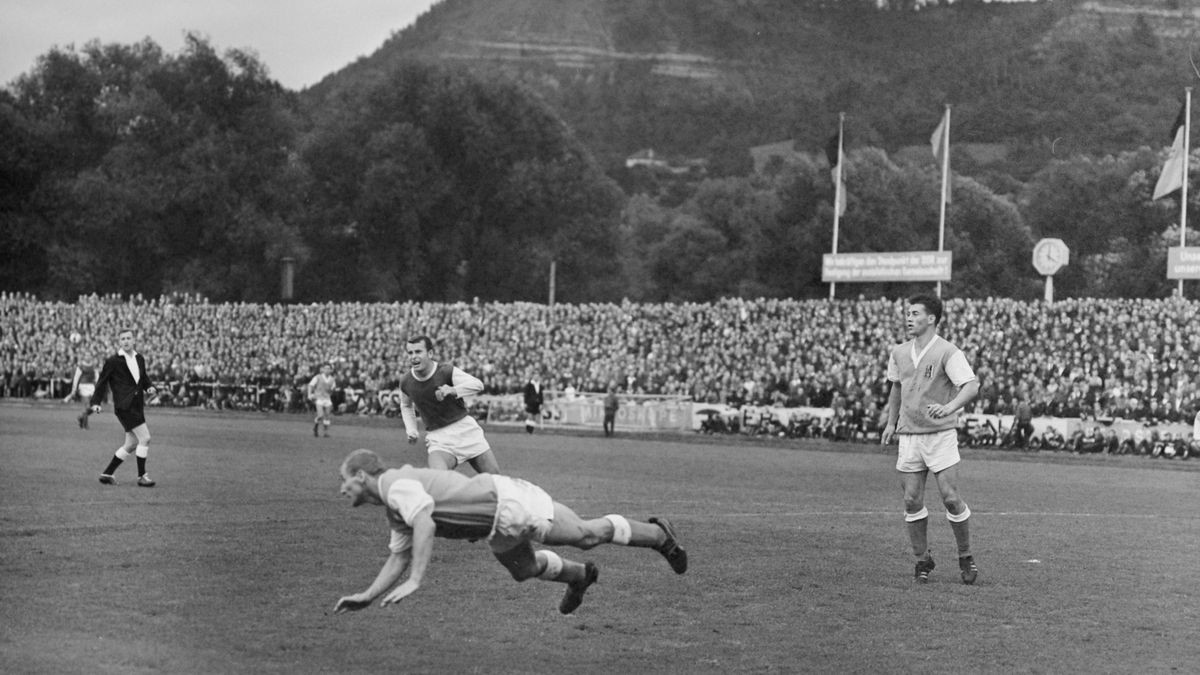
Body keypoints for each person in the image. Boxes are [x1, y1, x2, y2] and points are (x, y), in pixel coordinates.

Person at [332, 449, 687, 615]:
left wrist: (416, 580)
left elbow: (425, 519)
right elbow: (399, 556)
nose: (342, 489)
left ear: (361, 476)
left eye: (343, 480)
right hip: (494, 523)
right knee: (523, 571)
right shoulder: (394, 508)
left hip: (508, 502)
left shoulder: (395, 484)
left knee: (585, 535)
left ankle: (658, 536)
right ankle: (580, 576)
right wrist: (367, 595)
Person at [881, 295, 980, 585]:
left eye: (914, 313)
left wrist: (949, 407)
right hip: (909, 435)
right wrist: (890, 423)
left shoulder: (947, 351)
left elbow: (971, 386)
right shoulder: (899, 352)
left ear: (932, 318)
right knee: (911, 500)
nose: (908, 318)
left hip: (940, 435)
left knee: (950, 498)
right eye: (907, 313)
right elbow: (896, 389)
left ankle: (965, 555)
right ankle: (923, 559)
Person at [398, 336, 500, 474]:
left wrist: (453, 390)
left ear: (430, 354)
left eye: (418, 352)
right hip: (439, 438)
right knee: (439, 477)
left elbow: (478, 384)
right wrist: (411, 430)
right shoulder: (406, 381)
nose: (413, 357)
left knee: (495, 480)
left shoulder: (446, 371)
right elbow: (406, 405)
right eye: (410, 353)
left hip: (466, 431)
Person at [89, 329, 159, 487]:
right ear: (119, 342)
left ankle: (107, 474)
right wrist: (95, 402)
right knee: (145, 438)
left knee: (132, 443)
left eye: (128, 338)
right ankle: (142, 476)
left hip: (137, 405)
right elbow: (102, 382)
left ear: (134, 340)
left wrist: (150, 387)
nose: (126, 341)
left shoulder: (140, 358)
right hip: (124, 406)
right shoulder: (113, 361)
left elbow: (144, 378)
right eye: (123, 339)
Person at [65, 354, 99, 428]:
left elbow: (97, 377)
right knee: (87, 405)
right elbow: (76, 378)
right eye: (86, 355)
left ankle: (80, 417)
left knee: (94, 407)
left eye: (89, 355)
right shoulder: (80, 366)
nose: (88, 357)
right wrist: (74, 389)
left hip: (92, 387)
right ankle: (85, 425)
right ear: (84, 357)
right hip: (83, 386)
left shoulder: (94, 366)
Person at [307, 362, 337, 437]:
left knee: (327, 416)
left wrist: (332, 390)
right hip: (319, 398)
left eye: (328, 369)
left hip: (327, 398)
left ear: (331, 370)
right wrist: (309, 394)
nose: (327, 370)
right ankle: (315, 427)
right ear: (323, 369)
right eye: (326, 368)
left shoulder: (332, 379)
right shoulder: (318, 377)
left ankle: (325, 432)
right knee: (320, 415)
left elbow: (332, 390)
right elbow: (310, 385)